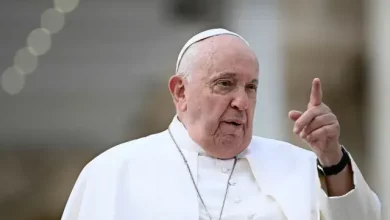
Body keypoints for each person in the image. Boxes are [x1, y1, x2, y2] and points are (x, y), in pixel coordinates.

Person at [61, 29, 381, 220]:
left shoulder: (301, 166)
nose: (241, 101)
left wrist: (332, 158)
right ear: (181, 92)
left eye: (251, 87)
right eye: (225, 84)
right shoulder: (114, 173)